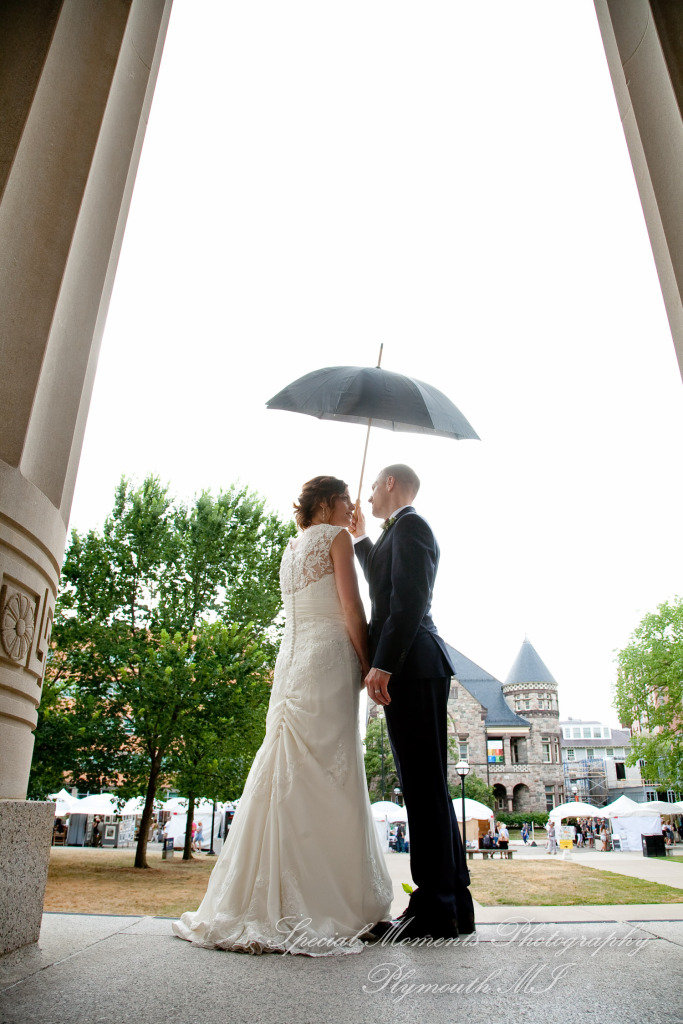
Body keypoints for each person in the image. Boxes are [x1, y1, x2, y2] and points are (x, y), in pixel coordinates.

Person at [173, 476, 392, 956]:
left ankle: (257, 894)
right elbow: (352, 608)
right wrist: (367, 660)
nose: (352, 510)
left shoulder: (291, 548)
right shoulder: (336, 540)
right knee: (330, 770)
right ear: (332, 502)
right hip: (329, 658)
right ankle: (325, 896)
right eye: (348, 503)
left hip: (292, 662)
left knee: (284, 768)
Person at [351, 464, 474, 939]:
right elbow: (385, 586)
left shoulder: (414, 527)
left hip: (414, 664)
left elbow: (408, 602)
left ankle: (434, 907)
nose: (367, 499)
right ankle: (451, 905)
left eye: (371, 490)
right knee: (425, 787)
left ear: (389, 484)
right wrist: (363, 542)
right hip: (413, 664)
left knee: (423, 788)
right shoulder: (397, 532)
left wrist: (383, 664)